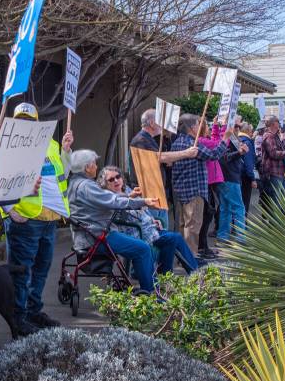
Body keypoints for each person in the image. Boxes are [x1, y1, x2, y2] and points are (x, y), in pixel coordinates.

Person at [1, 102, 71, 336]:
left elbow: (61, 176)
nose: (26, 125)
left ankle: (32, 312)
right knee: (22, 272)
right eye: (21, 120)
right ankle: (18, 319)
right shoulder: (9, 145)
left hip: (48, 218)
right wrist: (11, 211)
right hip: (26, 220)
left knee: (41, 269)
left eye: (30, 121)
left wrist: (66, 153)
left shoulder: (51, 144)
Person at [66, 150, 160, 293]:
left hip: (87, 236)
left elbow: (105, 198)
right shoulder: (86, 186)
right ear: (87, 167)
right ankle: (152, 293)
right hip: (98, 237)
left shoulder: (73, 182)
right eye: (94, 164)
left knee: (140, 246)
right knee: (142, 249)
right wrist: (143, 201)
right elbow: (112, 200)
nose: (97, 167)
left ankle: (151, 288)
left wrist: (129, 196)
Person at [98, 166, 198, 274]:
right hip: (135, 234)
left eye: (118, 177)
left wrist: (152, 219)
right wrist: (131, 198)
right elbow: (123, 211)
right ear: (105, 184)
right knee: (173, 238)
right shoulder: (109, 197)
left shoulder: (127, 189)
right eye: (111, 180)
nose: (116, 181)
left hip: (148, 229)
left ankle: (167, 274)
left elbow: (142, 210)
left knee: (172, 239)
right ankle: (191, 273)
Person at [168, 114, 230, 253]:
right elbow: (213, 155)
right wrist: (225, 138)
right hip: (194, 190)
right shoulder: (192, 144)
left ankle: (182, 257)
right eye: (197, 124)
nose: (199, 127)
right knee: (192, 226)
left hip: (180, 190)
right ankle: (190, 258)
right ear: (191, 128)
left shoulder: (176, 142)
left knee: (183, 225)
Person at [129, 108, 198, 229]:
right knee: (156, 229)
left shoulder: (147, 139)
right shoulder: (140, 139)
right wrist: (186, 153)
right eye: (160, 121)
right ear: (151, 123)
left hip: (156, 190)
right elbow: (159, 157)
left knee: (162, 226)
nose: (163, 125)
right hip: (148, 191)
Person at [196, 119, 227, 257]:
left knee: (209, 213)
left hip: (212, 181)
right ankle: (202, 246)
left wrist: (216, 126)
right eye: (207, 126)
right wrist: (225, 129)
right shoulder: (201, 141)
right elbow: (217, 145)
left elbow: (215, 140)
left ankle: (203, 246)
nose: (209, 128)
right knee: (206, 215)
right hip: (208, 182)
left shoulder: (204, 140)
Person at [217, 116, 249, 242]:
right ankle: (241, 238)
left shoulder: (233, 138)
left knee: (226, 208)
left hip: (228, 177)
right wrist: (240, 152)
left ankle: (223, 236)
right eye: (236, 126)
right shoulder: (226, 138)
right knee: (239, 208)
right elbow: (224, 157)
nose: (238, 128)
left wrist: (241, 151)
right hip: (229, 177)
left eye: (239, 126)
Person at [258, 115, 285, 215]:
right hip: (274, 173)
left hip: (280, 173)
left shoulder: (275, 136)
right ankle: (275, 226)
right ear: (273, 124)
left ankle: (279, 224)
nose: (279, 124)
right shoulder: (268, 136)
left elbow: (282, 149)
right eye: (278, 122)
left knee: (282, 200)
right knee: (276, 202)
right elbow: (274, 153)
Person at [236, 122, 258, 213]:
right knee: (244, 203)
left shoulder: (237, 140)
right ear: (248, 131)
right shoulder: (247, 142)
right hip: (245, 177)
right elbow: (248, 163)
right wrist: (252, 179)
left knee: (237, 203)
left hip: (237, 175)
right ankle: (242, 225)